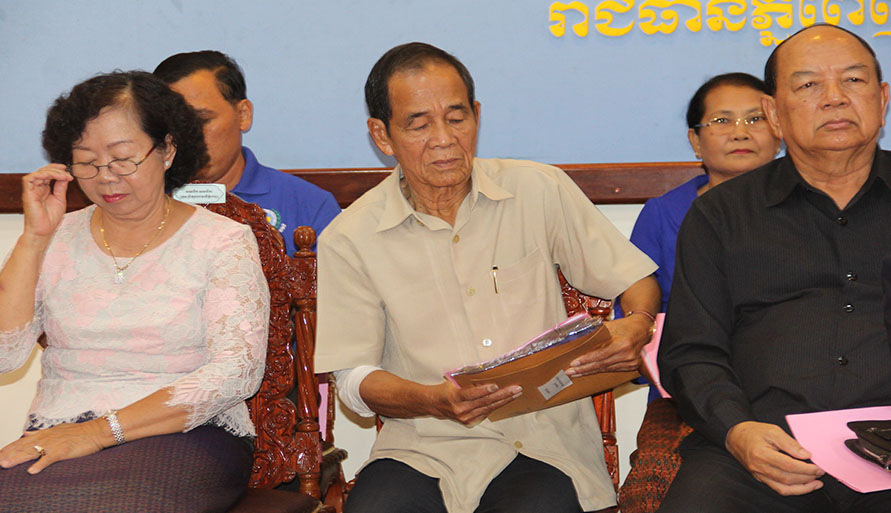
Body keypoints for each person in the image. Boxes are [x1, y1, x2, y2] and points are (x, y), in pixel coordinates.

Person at [314, 42, 660, 513]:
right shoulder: (350, 236)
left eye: (456, 118)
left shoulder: (538, 189)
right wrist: (432, 400)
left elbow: (634, 278)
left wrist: (638, 323)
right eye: (419, 124)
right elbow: (354, 379)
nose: (444, 139)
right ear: (382, 135)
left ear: (476, 115)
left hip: (546, 441)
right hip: (423, 445)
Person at [0, 71, 270, 512]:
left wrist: (98, 432)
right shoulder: (53, 238)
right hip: (59, 430)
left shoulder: (221, 241)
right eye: (86, 162)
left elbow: (235, 372)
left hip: (186, 433)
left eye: (123, 159)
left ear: (167, 149)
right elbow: (5, 356)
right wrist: (33, 238)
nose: (105, 177)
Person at [657, 24, 891, 512]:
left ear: (883, 98)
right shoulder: (721, 214)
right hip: (763, 447)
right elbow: (692, 351)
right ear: (774, 113)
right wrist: (737, 431)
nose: (835, 98)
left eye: (853, 80)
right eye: (808, 85)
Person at [617, 73, 780, 513]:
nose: (741, 132)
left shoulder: (809, 209)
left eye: (755, 119)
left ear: (779, 128)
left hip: (790, 390)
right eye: (722, 120)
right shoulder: (663, 214)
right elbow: (630, 322)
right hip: (686, 397)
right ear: (695, 140)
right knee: (654, 489)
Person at [153, 50, 341, 254]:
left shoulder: (310, 205)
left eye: (202, 120)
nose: (187, 135)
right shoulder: (141, 201)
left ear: (243, 115)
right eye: (174, 124)